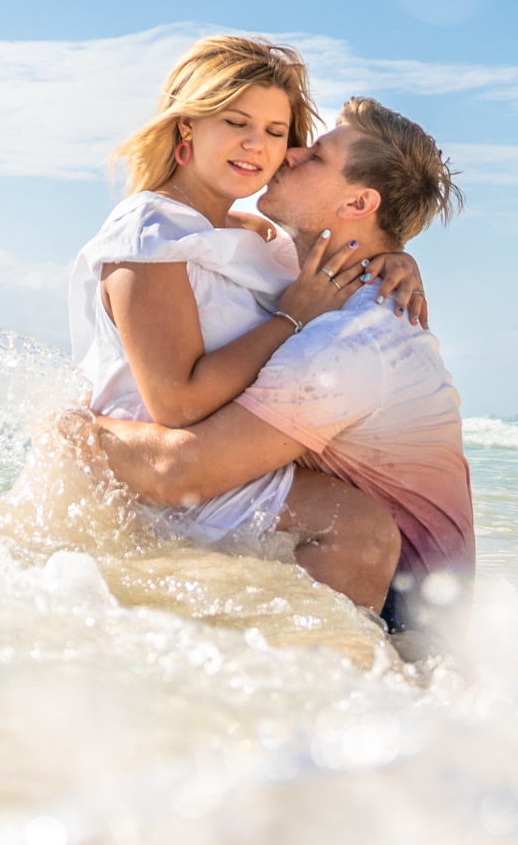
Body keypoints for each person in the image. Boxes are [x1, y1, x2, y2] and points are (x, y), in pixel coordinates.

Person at [90, 98, 470, 628]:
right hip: (419, 610)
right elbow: (214, 227)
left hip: (402, 624)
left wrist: (72, 430)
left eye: (315, 156)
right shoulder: (348, 288)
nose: (288, 154)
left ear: (359, 202)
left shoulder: (347, 344)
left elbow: (177, 473)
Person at [68, 36, 425, 552]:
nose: (256, 145)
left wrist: (395, 258)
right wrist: (289, 320)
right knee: (354, 527)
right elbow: (176, 401)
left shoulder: (253, 233)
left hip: (220, 464)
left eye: (275, 131)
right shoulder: (150, 234)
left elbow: (331, 255)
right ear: (187, 125)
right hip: (160, 482)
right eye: (236, 123)